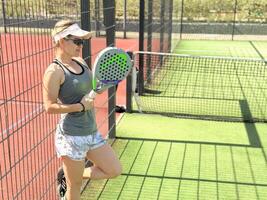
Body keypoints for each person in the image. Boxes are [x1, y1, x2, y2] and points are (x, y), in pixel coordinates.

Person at [43, 19, 122, 200]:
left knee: (114, 170)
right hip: (71, 137)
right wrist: (79, 106)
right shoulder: (54, 71)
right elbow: (49, 107)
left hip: (91, 131)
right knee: (75, 187)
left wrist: (108, 81)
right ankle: (71, 177)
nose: (81, 45)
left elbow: (93, 88)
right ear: (62, 40)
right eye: (77, 41)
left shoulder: (81, 62)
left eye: (82, 41)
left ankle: (66, 173)